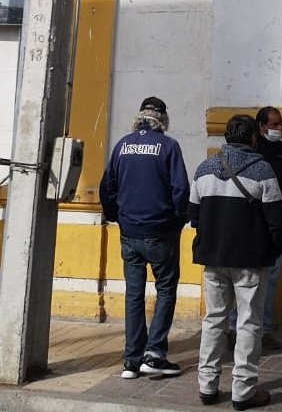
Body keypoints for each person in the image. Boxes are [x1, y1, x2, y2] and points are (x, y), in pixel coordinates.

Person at [189, 114, 282, 410]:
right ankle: (243, 391)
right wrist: (273, 250)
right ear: (253, 138)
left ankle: (207, 385)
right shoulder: (262, 170)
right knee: (248, 324)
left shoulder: (204, 169)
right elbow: (277, 220)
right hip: (250, 261)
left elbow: (194, 216)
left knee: (214, 321)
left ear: (227, 137)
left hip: (213, 258)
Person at [99, 96, 189, 380]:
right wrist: (177, 222)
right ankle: (155, 354)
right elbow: (181, 191)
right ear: (163, 119)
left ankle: (131, 360)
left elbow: (107, 188)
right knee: (165, 289)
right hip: (160, 232)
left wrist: (116, 216)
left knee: (134, 295)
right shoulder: (169, 146)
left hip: (130, 232)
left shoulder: (122, 145)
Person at [254, 105, 282, 350]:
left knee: (271, 278)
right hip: (255, 222)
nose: (278, 129)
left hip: (278, 221)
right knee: (247, 278)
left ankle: (265, 329)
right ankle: (237, 327)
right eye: (273, 124)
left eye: (280, 124)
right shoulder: (254, 150)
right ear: (261, 127)